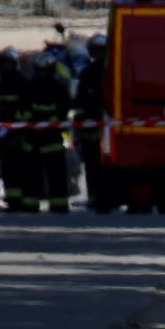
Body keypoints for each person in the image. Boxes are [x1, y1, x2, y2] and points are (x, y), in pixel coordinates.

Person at [25, 51, 70, 214]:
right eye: (38, 70)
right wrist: (33, 126)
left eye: (43, 70)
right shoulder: (32, 86)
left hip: (52, 139)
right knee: (32, 175)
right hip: (35, 138)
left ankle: (59, 205)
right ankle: (30, 205)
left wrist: (47, 125)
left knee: (57, 175)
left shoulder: (59, 87)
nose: (40, 74)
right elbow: (27, 109)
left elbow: (63, 111)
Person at [0, 47, 30, 212]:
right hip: (5, 131)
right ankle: (13, 201)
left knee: (20, 168)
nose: (5, 67)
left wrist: (18, 127)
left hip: (19, 132)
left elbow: (26, 108)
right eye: (4, 63)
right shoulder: (2, 83)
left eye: (9, 63)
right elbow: (2, 107)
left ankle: (22, 201)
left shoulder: (21, 82)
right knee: (7, 168)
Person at [73, 33, 106, 209]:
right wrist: (80, 123)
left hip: (109, 130)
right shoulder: (88, 74)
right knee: (92, 164)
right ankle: (94, 196)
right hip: (91, 129)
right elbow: (79, 101)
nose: (99, 55)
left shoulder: (112, 72)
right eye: (96, 51)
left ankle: (107, 196)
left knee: (107, 165)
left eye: (102, 51)